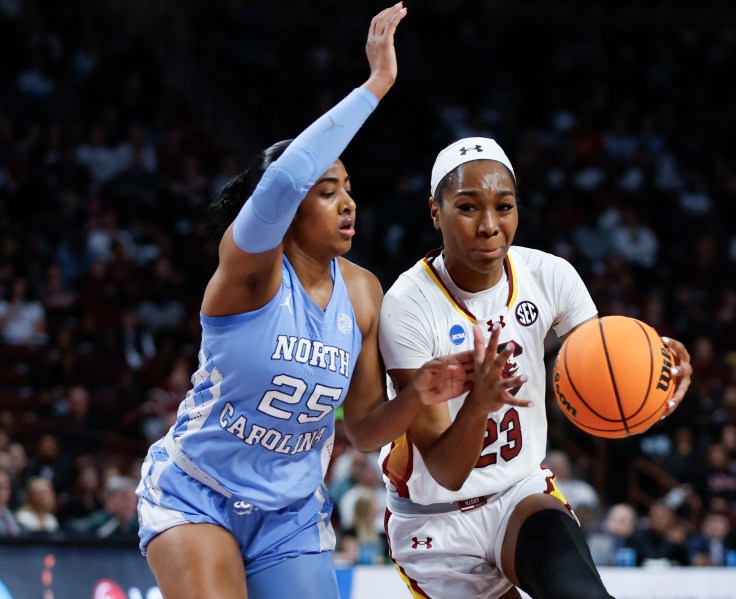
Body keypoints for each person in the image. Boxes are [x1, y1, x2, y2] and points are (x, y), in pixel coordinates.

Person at [135, 6, 476, 598]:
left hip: (291, 511)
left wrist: (418, 392)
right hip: (197, 493)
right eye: (327, 191)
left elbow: (366, 430)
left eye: (349, 190)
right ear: (290, 209)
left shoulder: (363, 292)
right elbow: (284, 178)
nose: (348, 204)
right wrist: (375, 86)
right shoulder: (248, 275)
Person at [377, 137, 693, 598]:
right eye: (468, 208)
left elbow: (604, 365)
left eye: (504, 206)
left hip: (518, 495)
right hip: (435, 520)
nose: (489, 226)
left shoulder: (549, 275)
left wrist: (657, 377)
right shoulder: (407, 305)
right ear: (434, 212)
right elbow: (445, 469)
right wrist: (479, 404)